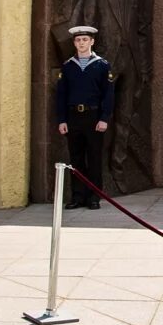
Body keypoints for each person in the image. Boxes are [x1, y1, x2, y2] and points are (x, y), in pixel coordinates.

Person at [83, 0, 150, 192]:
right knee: (102, 116)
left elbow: (142, 31)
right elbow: (88, 25)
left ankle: (118, 170)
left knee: (124, 118)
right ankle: (96, 172)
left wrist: (143, 67)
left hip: (131, 60)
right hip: (105, 59)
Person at [56, 25, 114, 210]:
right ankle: (77, 197)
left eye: (85, 40)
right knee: (76, 159)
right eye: (78, 40)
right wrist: (62, 120)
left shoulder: (101, 65)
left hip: (94, 117)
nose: (81, 43)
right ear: (74, 43)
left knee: (94, 158)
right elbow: (61, 95)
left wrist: (104, 118)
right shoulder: (67, 66)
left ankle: (94, 197)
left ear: (92, 42)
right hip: (73, 117)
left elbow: (108, 94)